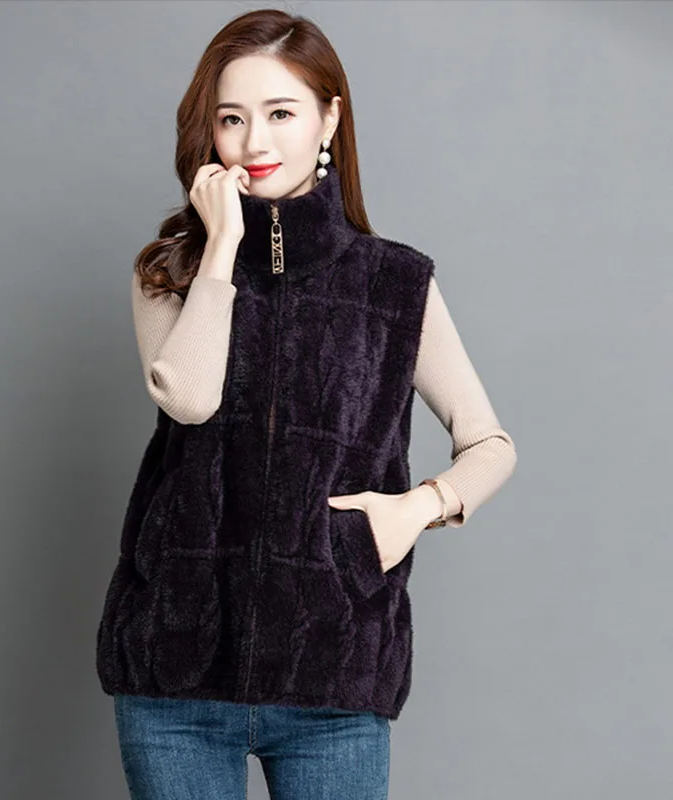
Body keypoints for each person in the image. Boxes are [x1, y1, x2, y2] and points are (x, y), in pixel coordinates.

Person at [95, 8, 517, 800]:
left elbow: (490, 444)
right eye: (231, 119)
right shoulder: (171, 272)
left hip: (334, 670)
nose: (253, 141)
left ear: (329, 118)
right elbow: (190, 399)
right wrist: (222, 249)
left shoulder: (396, 283)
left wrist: (416, 509)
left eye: (281, 113)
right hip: (174, 671)